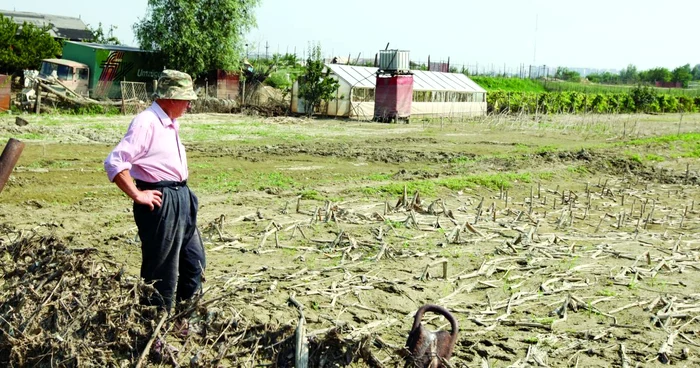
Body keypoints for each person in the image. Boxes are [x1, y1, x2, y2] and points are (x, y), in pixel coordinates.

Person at [104, 69, 205, 313]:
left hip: (181, 197)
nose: (189, 105)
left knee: (195, 263)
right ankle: (153, 328)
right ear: (171, 97)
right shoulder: (146, 122)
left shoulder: (171, 122)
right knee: (162, 271)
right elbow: (115, 162)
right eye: (186, 99)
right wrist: (138, 194)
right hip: (161, 201)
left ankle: (181, 319)